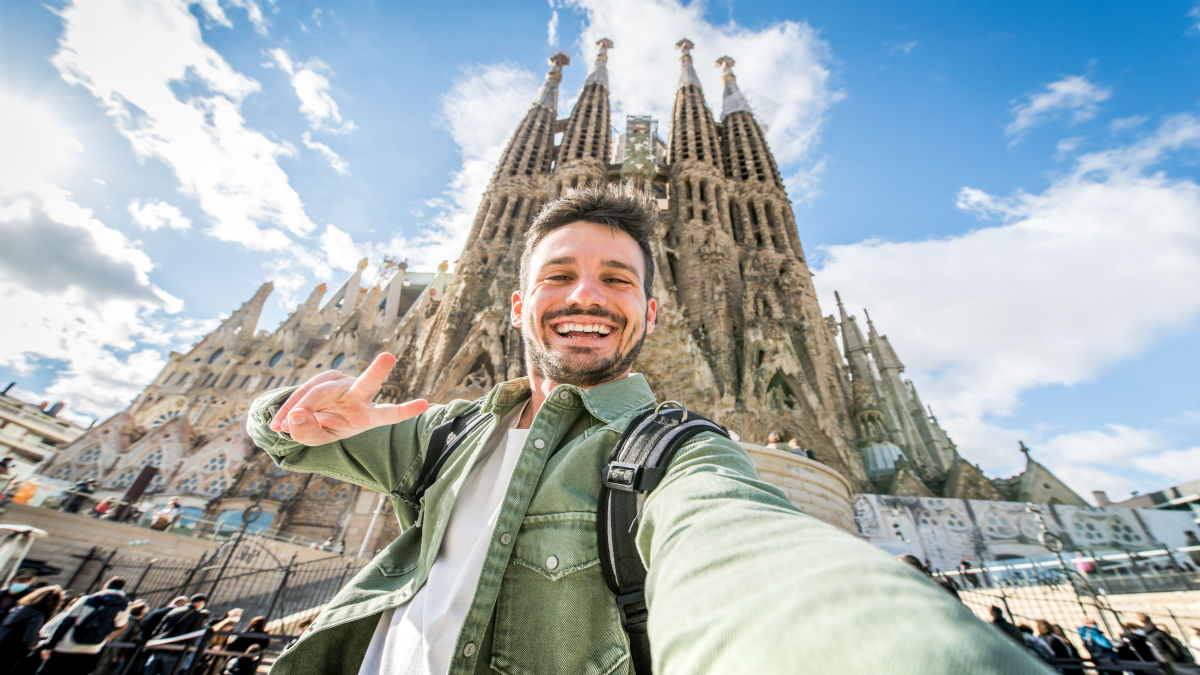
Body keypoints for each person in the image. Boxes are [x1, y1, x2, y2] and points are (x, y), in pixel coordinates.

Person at [247, 185, 1047, 673]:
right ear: (518, 304)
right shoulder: (446, 433)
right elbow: (284, 439)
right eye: (558, 275)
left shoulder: (675, 453)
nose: (585, 296)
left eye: (616, 278)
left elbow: (740, 548)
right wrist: (295, 411)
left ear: (652, 311)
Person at [37, 576, 129, 673]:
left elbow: (66, 622)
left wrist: (50, 646)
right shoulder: (124, 606)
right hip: (92, 648)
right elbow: (119, 625)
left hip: (67, 645)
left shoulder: (88, 599)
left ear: (106, 586)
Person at [0, 585, 62, 675]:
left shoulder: (20, 608)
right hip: (12, 652)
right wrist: (37, 642)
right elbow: (29, 639)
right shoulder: (38, 616)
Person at [143, 593, 210, 675]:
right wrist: (187, 651)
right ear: (201, 603)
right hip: (176, 651)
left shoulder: (174, 611)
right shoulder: (196, 615)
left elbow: (158, 630)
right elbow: (193, 636)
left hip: (160, 647)